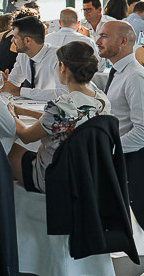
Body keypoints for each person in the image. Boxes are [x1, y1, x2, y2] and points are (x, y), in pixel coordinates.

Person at [7, 41, 111, 193]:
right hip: (85, 170)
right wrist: (24, 111)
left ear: (63, 67)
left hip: (53, 173)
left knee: (3, 147)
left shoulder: (60, 105)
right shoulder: (102, 99)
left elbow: (26, 136)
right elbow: (68, 120)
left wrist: (11, 115)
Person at [94, 21, 144, 152]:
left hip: (126, 157)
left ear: (123, 41)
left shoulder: (135, 77)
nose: (97, 41)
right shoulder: (119, 72)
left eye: (104, 36)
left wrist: (105, 150)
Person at [1, 16, 63, 101]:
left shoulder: (58, 57)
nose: (12, 40)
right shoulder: (23, 55)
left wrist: (20, 91)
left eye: (15, 37)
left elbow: (63, 94)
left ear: (27, 41)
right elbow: (14, 83)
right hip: (31, 107)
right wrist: (5, 83)